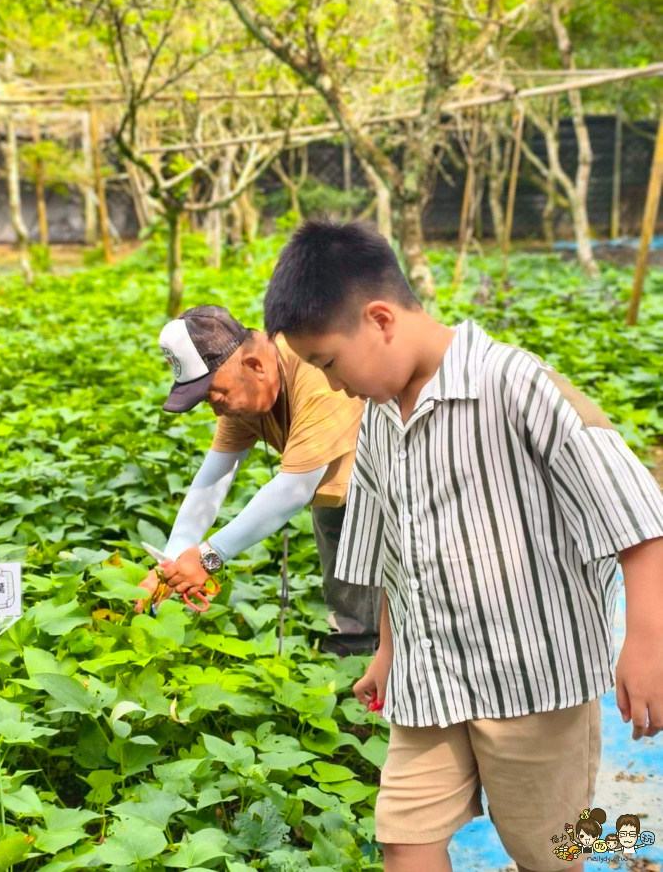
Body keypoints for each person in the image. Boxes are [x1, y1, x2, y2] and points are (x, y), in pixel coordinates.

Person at [263, 220, 663, 872]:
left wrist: (646, 643)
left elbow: (640, 520)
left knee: (548, 853)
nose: (332, 387)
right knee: (403, 838)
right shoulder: (378, 420)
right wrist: (387, 653)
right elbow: (393, 551)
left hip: (534, 686)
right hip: (427, 686)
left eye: (329, 364)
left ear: (380, 319)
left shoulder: (517, 385)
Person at [137, 304, 381, 656]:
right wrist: (170, 565)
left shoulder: (316, 369)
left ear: (255, 366)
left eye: (216, 394)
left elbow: (294, 489)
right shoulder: (243, 390)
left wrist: (209, 556)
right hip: (344, 488)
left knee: (416, 598)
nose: (216, 408)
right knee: (351, 595)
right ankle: (355, 664)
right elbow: (215, 476)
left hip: (411, 479)